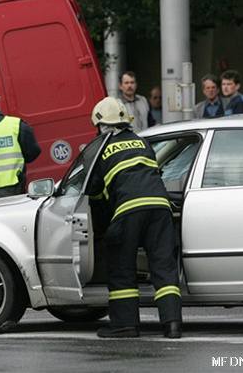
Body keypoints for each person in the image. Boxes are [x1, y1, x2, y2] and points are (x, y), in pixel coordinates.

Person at [86, 96, 182, 339]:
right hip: (160, 208)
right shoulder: (141, 143)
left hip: (129, 210)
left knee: (121, 267)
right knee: (163, 267)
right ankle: (172, 325)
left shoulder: (100, 149)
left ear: (100, 124)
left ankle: (125, 325)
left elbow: (95, 191)